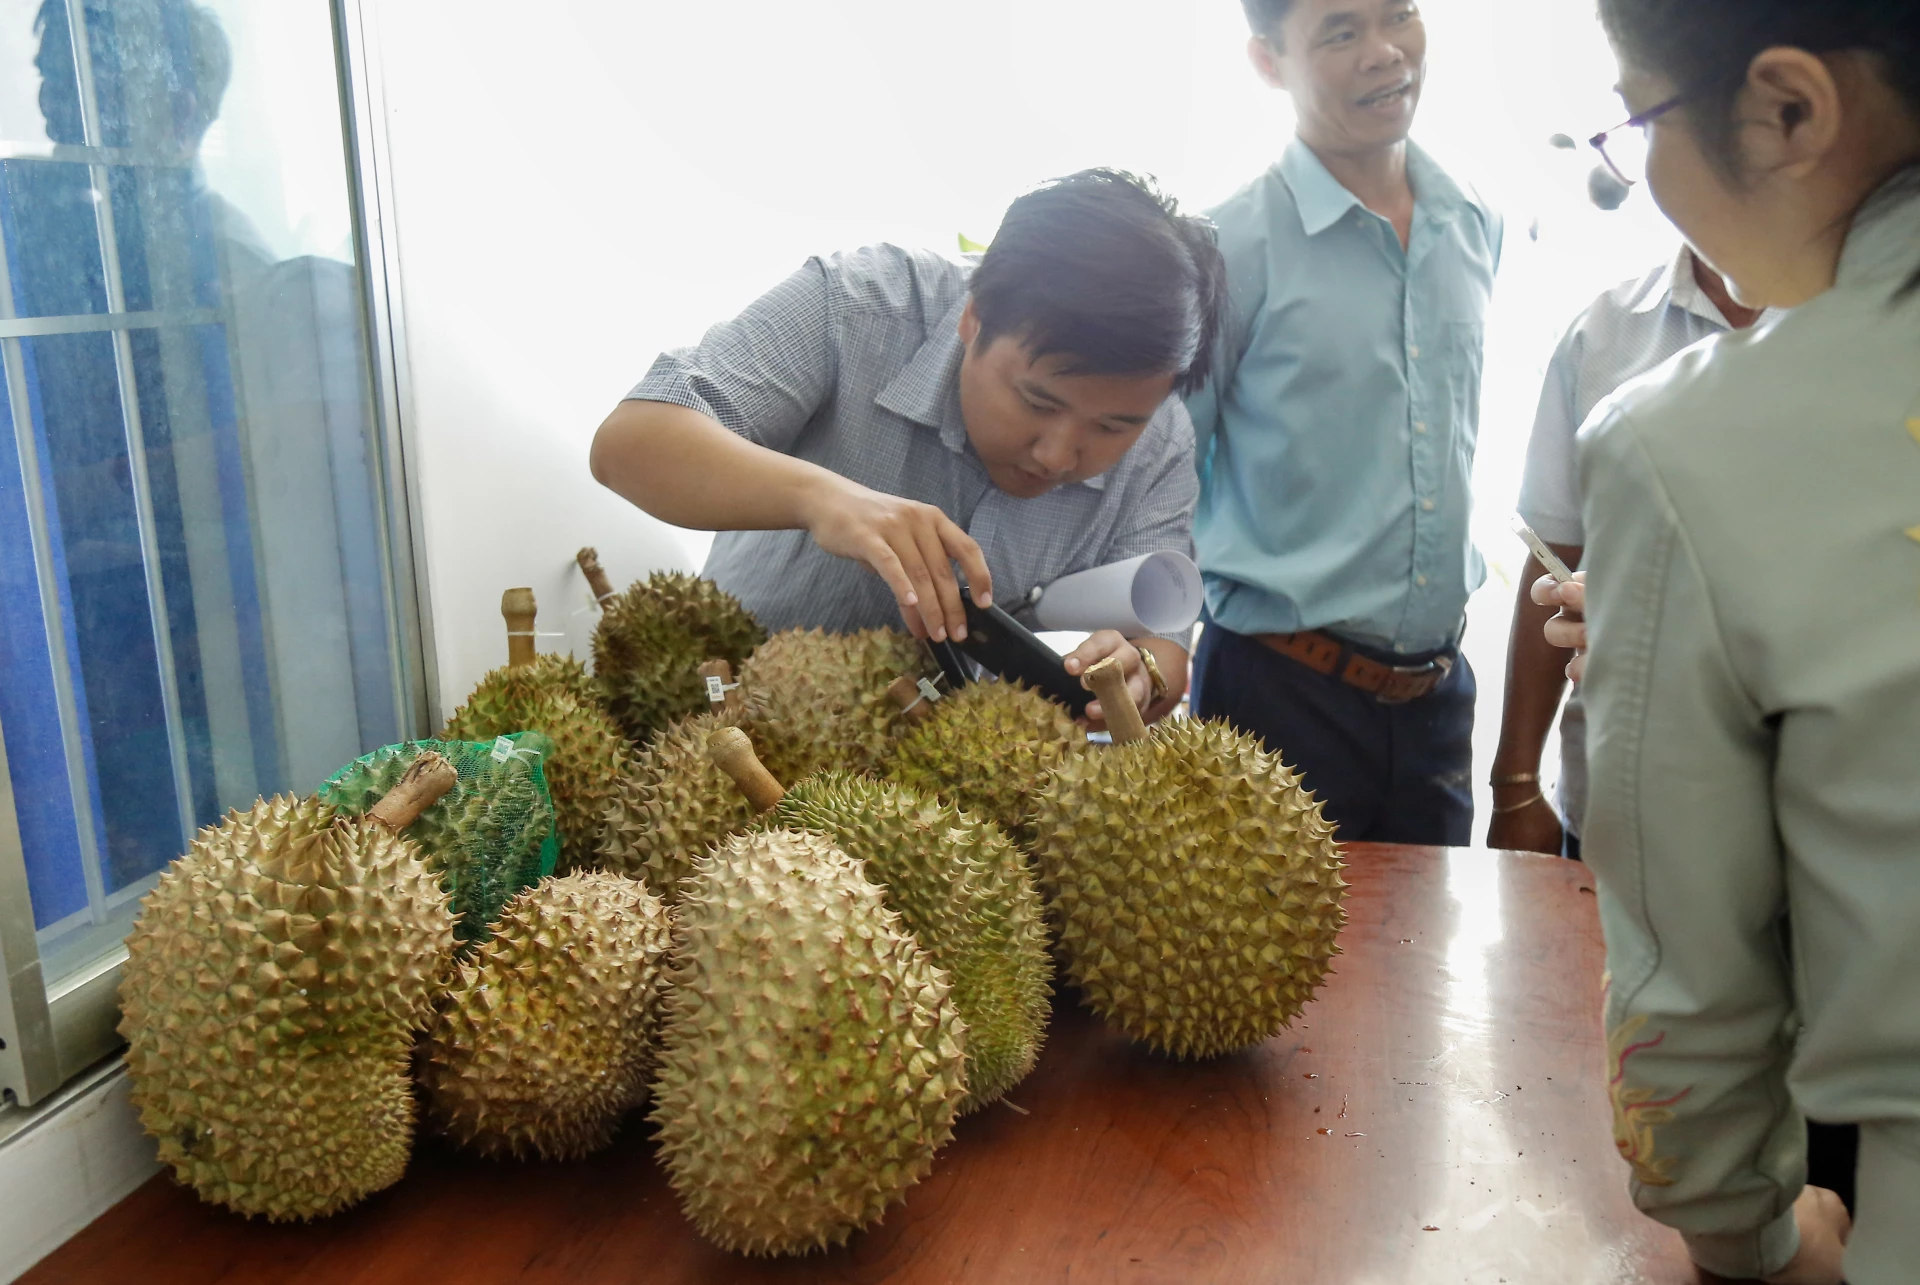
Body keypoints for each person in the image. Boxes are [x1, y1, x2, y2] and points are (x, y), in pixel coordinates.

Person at [1533, 2, 1920, 1281]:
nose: (1637, 170)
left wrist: (1750, 1229)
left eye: (1636, 116)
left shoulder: (1679, 446)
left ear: (1788, 110)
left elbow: (1688, 990)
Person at [590, 170, 1223, 731]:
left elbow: (1165, 646)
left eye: (1112, 427)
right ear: (973, 318)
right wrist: (823, 499)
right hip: (721, 731)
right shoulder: (859, 306)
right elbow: (630, 444)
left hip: (943, 813)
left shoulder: (1162, 440)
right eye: (1038, 402)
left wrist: (1140, 676)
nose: (1059, 454)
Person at [1183, 0, 1501, 845]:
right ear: (1267, 59)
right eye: (1340, 31)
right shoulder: (1224, 246)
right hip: (1275, 697)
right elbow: (1162, 474)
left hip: (1438, 702)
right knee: (1265, 975)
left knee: (1424, 971)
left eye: (1399, 17)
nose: (1384, 53)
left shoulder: (1473, 222)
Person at [1487, 248, 1771, 860]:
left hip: (1804, 835)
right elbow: (1553, 551)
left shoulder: (1877, 331)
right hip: (1613, 820)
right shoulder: (1602, 334)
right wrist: (1515, 785)